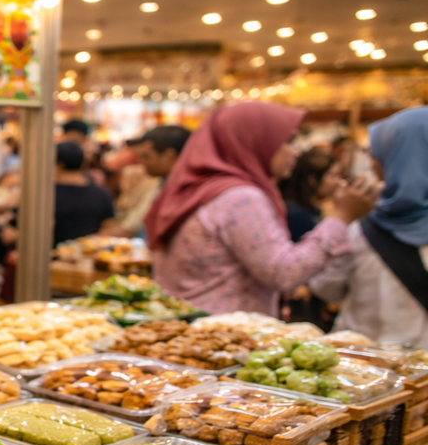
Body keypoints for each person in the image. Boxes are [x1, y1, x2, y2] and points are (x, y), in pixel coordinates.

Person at [147, 101, 381, 317]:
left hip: (189, 328)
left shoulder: (199, 188)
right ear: (254, 141)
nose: (295, 152)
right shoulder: (240, 198)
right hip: (228, 339)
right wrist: (341, 217)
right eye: (287, 141)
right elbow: (284, 273)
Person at [311, 106, 428, 347]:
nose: (373, 165)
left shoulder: (360, 228)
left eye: (377, 156)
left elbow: (326, 289)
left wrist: (341, 219)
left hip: (363, 366)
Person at [53, 141, 115, 244]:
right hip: (87, 254)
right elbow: (109, 226)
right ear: (83, 163)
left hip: (50, 255)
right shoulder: (100, 193)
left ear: (59, 165)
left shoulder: (47, 195)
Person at [281, 148, 344, 241]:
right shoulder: (297, 214)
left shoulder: (312, 208)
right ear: (313, 181)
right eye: (333, 176)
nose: (339, 182)